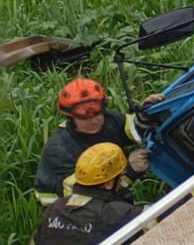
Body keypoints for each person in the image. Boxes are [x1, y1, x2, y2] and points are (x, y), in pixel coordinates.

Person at [34, 78, 148, 206]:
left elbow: (136, 130)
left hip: (105, 195)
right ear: (70, 117)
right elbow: (84, 196)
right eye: (84, 118)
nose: (93, 121)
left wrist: (145, 115)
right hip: (67, 212)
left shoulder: (110, 119)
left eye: (97, 114)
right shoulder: (60, 150)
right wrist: (129, 172)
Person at [31, 142, 140, 244]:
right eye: (120, 177)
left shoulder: (54, 209)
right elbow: (153, 222)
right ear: (108, 183)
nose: (122, 180)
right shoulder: (115, 213)